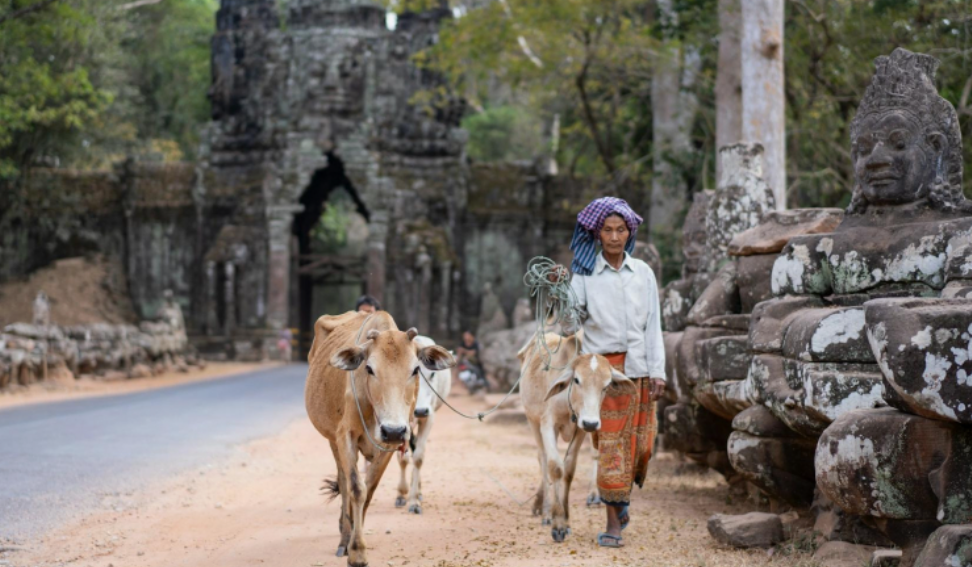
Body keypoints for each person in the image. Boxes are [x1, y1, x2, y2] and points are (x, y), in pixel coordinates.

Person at [553, 196, 666, 548]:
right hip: (602, 375)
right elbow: (569, 323)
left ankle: (622, 499)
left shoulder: (643, 273)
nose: (614, 237)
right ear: (597, 234)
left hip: (641, 368)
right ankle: (613, 521)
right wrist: (562, 292)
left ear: (629, 232)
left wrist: (658, 371)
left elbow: (654, 326)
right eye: (608, 230)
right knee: (613, 447)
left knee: (643, 449)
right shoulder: (584, 275)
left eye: (621, 229)